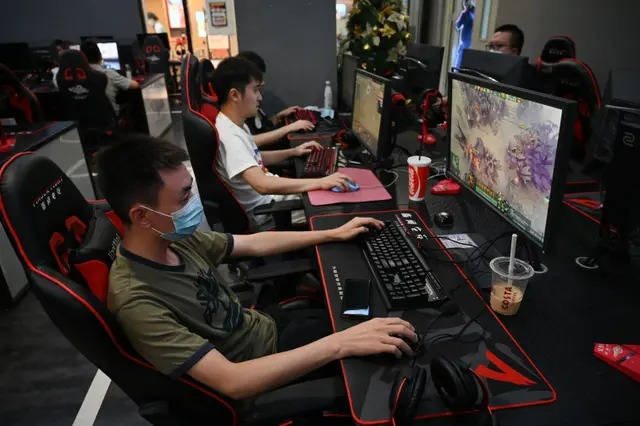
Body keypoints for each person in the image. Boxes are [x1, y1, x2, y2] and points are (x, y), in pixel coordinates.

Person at [97, 134, 417, 401]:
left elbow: (251, 244)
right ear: (141, 215)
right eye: (183, 197)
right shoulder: (137, 302)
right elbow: (232, 381)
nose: (193, 202)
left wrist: (333, 233)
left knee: (380, 319)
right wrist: (339, 344)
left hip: (266, 327)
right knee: (398, 358)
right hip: (262, 366)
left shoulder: (172, 238)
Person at [212, 57, 353, 230]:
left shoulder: (232, 123)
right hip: (269, 214)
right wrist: (321, 182)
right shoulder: (230, 136)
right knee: (342, 208)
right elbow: (262, 184)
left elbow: (253, 157)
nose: (260, 97)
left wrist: (293, 152)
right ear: (234, 94)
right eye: (255, 90)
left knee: (334, 189)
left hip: (275, 202)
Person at [236, 50, 314, 148]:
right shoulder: (240, 112)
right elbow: (252, 141)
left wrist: (279, 116)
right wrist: (290, 127)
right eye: (258, 78)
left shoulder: (252, 103)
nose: (263, 83)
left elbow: (263, 127)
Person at [80, 40, 139, 114]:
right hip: (110, 118)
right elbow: (135, 85)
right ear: (100, 56)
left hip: (86, 119)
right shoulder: (108, 73)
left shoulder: (77, 77)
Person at [454, 0, 475, 69]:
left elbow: (458, 25)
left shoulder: (469, 13)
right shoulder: (469, 13)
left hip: (468, 40)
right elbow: (458, 25)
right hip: (467, 40)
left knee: (462, 59)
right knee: (461, 59)